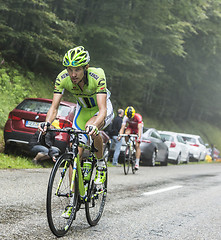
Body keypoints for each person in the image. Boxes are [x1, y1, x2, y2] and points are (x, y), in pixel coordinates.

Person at [39, 46, 114, 185]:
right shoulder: (62, 78)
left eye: (77, 69)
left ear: (86, 67)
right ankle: (72, 199)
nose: (73, 74)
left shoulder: (97, 75)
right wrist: (47, 123)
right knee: (75, 154)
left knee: (91, 127)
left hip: (101, 109)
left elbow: (103, 110)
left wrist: (95, 125)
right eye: (69, 69)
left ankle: (100, 164)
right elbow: (54, 108)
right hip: (83, 111)